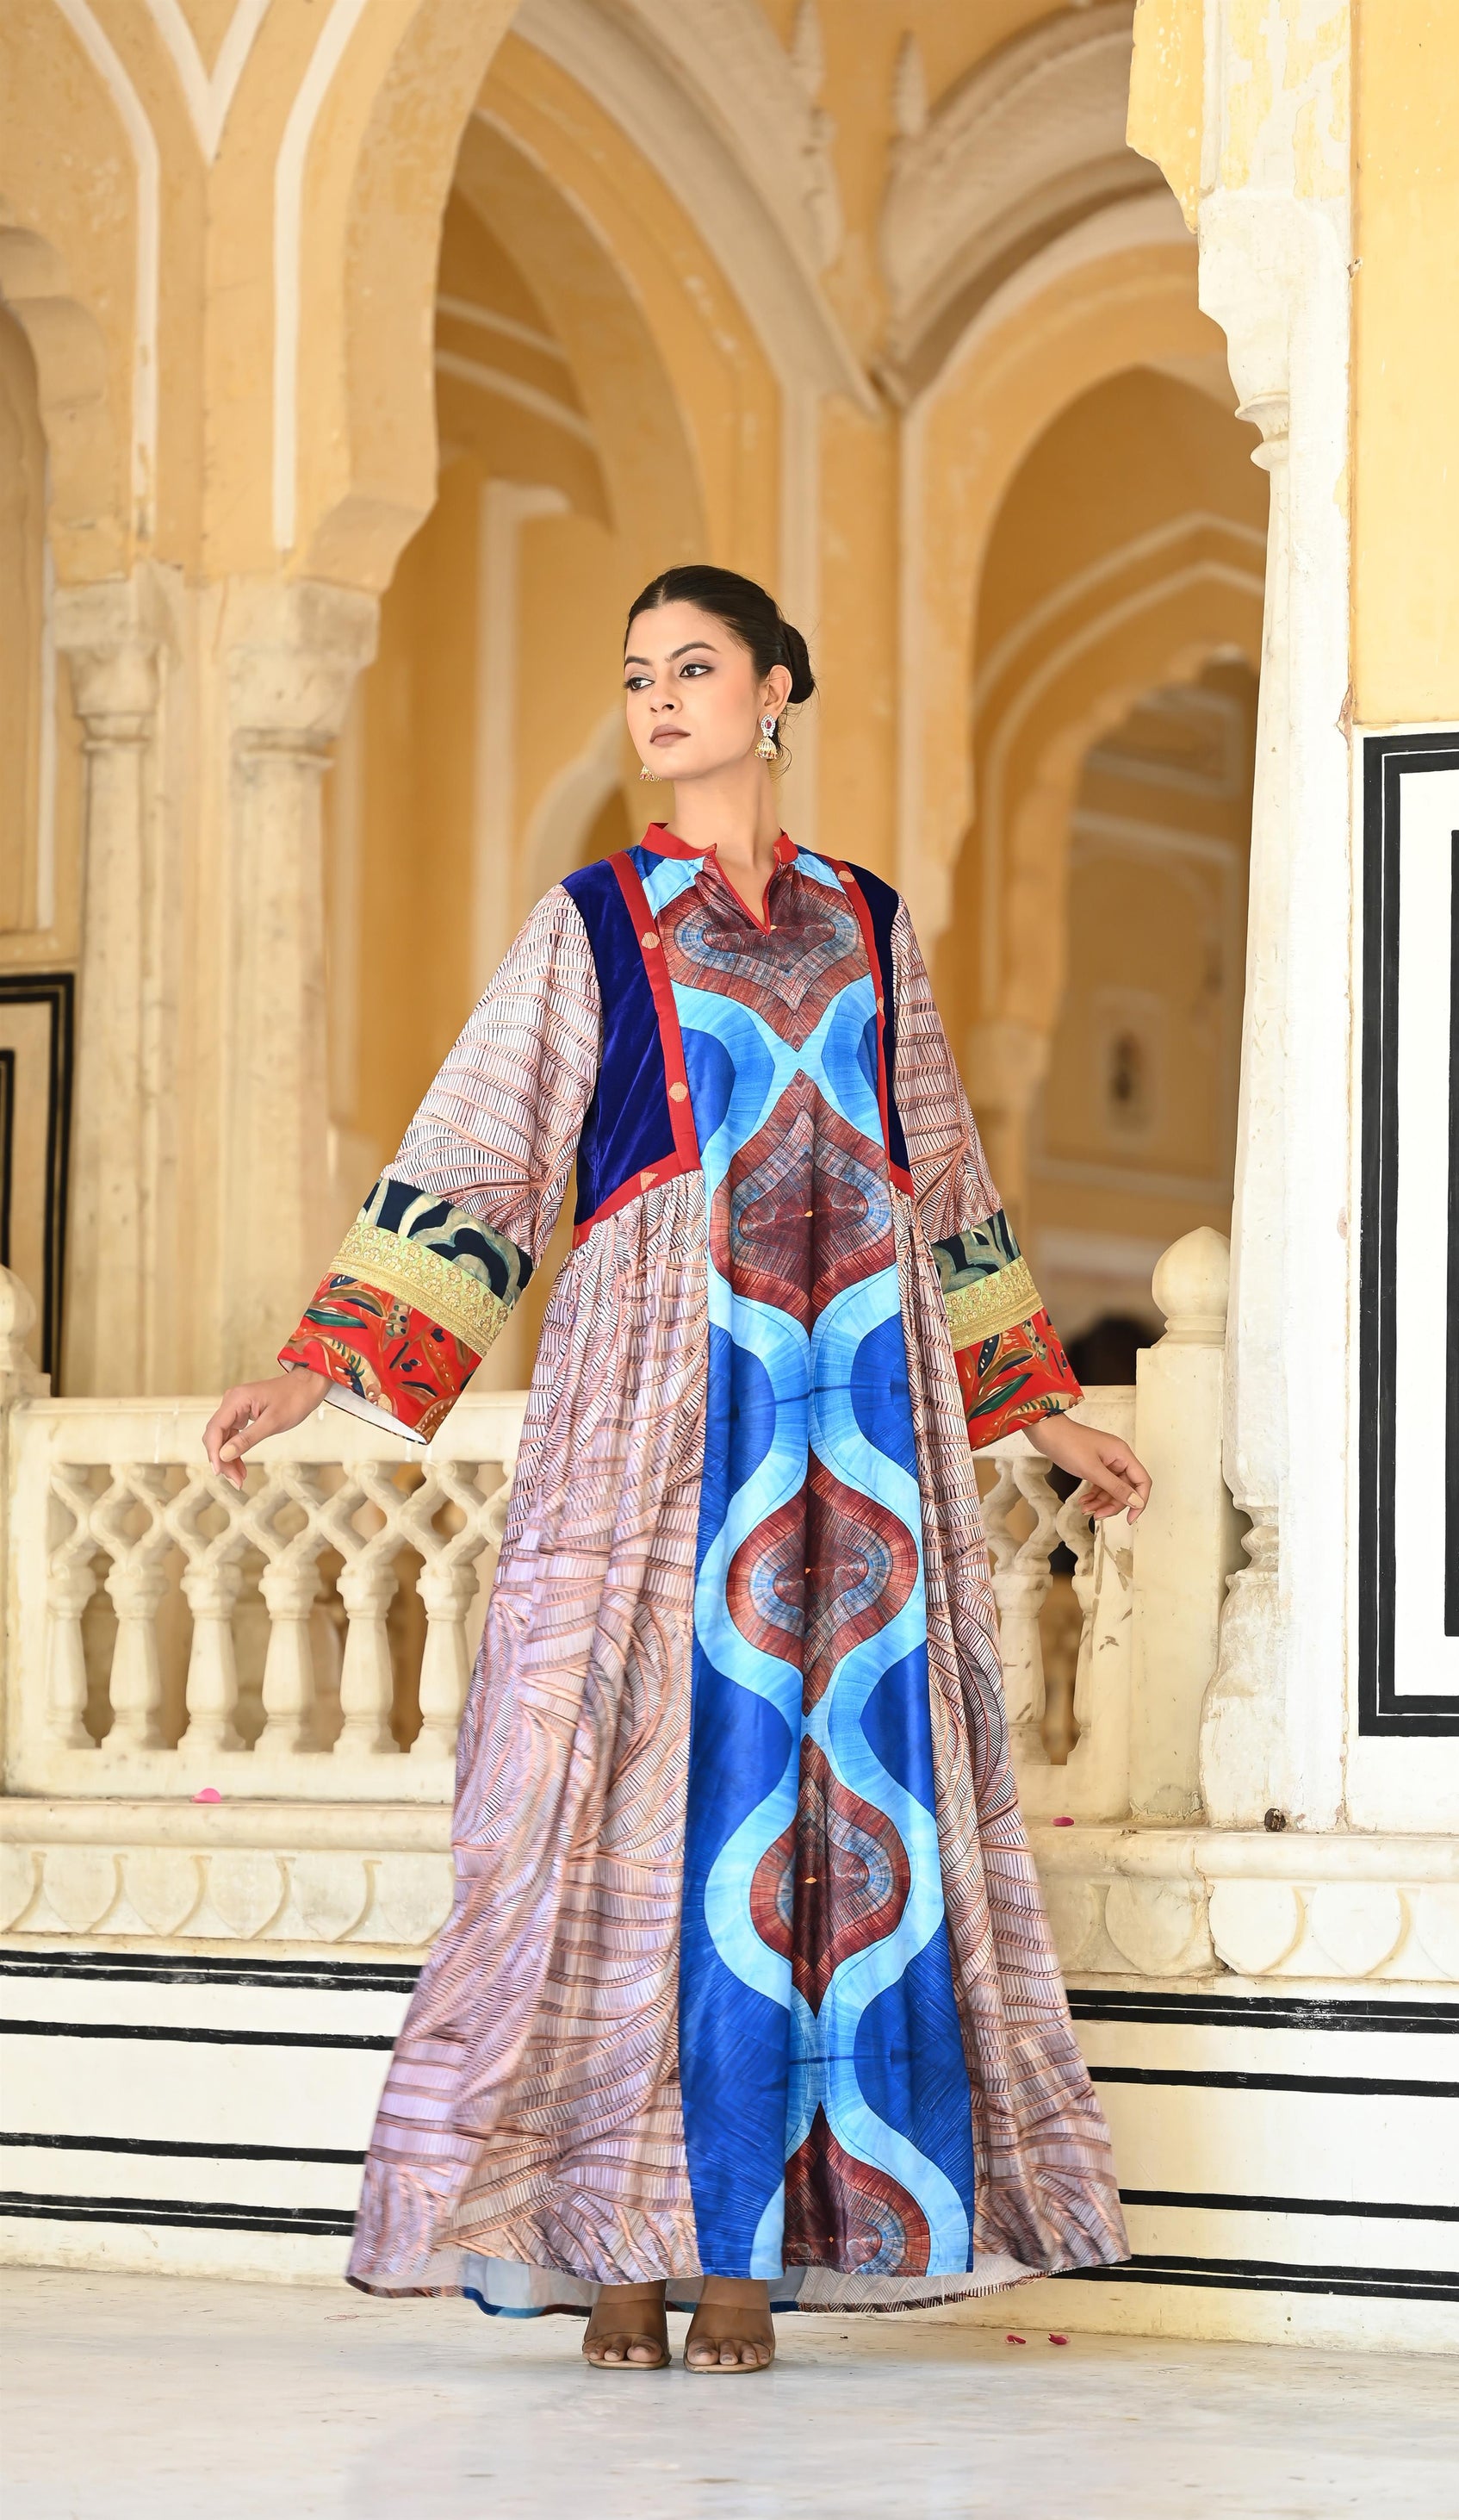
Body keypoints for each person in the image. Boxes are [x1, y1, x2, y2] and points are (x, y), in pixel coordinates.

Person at [204, 564, 1147, 2374]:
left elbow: (941, 1176)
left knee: (816, 1803)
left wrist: (1040, 1410)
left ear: (774, 689)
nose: (657, 696)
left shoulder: (870, 921)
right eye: (637, 670)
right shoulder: (593, 921)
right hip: (651, 1410)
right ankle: (608, 2235)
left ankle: (741, 2257)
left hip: (851, 1425)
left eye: (694, 666)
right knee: (617, 1795)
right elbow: (479, 1155)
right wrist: (314, 1368)